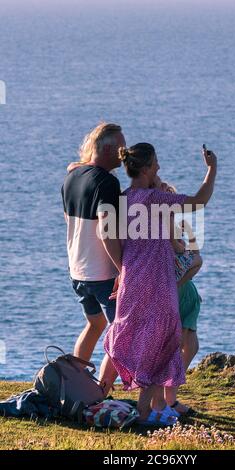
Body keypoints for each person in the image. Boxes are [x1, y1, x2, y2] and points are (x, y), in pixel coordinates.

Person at [102, 142, 217, 425]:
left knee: (129, 336)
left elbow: (112, 240)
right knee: (164, 342)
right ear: (145, 168)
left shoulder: (123, 199)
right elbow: (200, 201)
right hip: (158, 282)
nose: (159, 168)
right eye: (156, 164)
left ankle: (118, 399)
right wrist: (212, 169)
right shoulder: (156, 199)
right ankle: (143, 413)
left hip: (131, 280)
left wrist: (122, 270)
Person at [61, 122, 125, 371]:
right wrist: (122, 269)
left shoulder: (72, 177)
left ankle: (76, 381)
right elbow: (107, 229)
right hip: (102, 272)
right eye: (122, 148)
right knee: (121, 330)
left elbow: (69, 220)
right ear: (108, 150)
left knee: (95, 324)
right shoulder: (107, 183)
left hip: (76, 270)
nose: (126, 153)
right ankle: (99, 392)